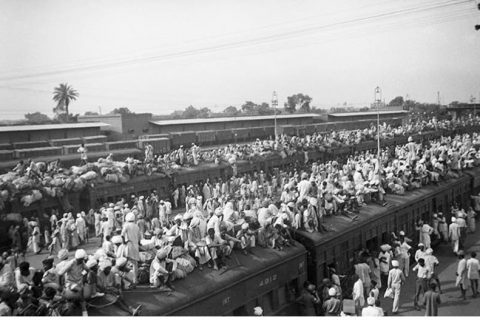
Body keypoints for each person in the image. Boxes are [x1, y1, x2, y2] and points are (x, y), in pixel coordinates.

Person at [121, 212, 141, 286]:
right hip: (136, 246)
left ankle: (125, 279)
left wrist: (124, 242)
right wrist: (139, 243)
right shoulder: (136, 226)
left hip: (129, 245)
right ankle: (135, 280)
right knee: (135, 264)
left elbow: (122, 235)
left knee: (126, 261)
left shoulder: (126, 225)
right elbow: (139, 237)